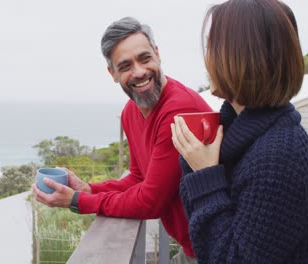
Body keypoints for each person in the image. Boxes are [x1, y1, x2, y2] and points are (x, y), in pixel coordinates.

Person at [33, 17, 212, 263]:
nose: (139, 72)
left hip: (218, 247)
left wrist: (78, 200)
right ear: (113, 73)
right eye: (126, 66)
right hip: (194, 245)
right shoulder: (131, 111)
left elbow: (151, 202)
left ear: (158, 55)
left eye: (145, 58)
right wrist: (89, 189)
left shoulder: (178, 109)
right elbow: (139, 178)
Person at [171, 0, 308, 263]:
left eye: (213, 47)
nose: (207, 60)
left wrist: (206, 176)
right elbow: (202, 231)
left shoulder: (280, 154)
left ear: (240, 56)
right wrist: (196, 161)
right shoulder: (240, 135)